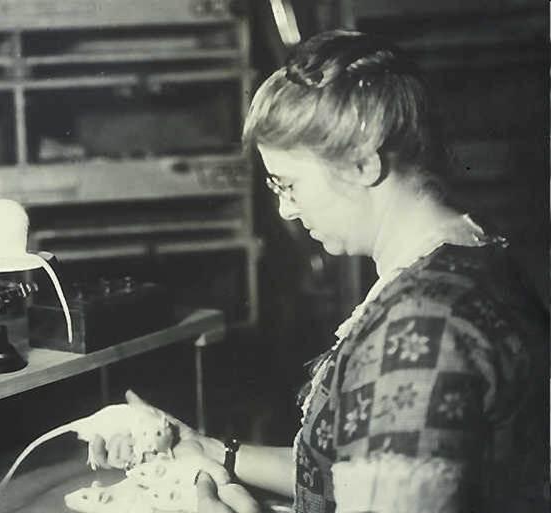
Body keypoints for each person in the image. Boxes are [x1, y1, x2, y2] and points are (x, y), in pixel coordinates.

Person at [93, 30, 549, 513]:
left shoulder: (421, 324)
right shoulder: (470, 256)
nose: (287, 210)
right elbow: (355, 471)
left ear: (361, 165)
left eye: (289, 184)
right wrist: (210, 451)